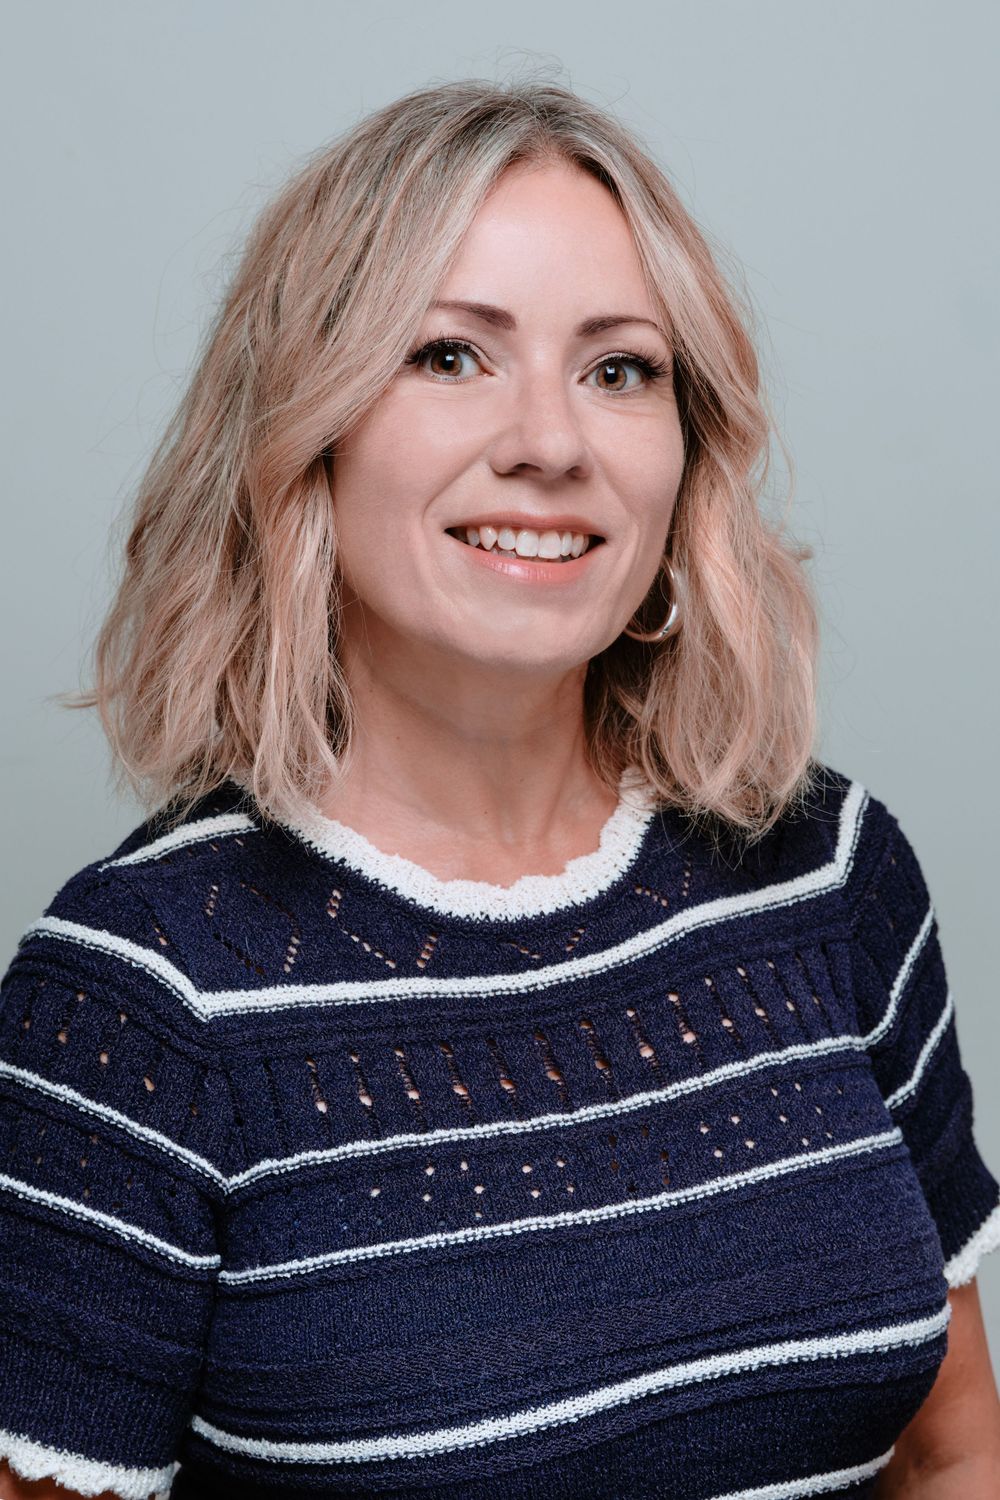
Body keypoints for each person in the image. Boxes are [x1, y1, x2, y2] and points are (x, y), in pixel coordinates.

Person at [1, 77, 998, 1500]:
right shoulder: (138, 1007)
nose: (550, 440)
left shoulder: (831, 874)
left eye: (620, 368)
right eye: (451, 356)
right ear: (306, 430)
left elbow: (956, 1449)